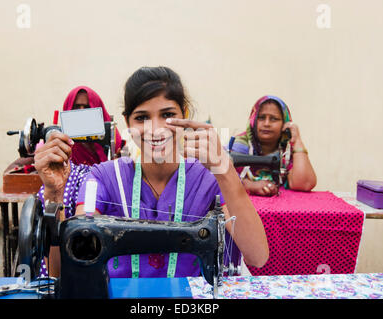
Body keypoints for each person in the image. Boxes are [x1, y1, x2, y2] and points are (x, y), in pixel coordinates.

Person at [35, 66, 269, 278]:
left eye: (167, 115)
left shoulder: (210, 177)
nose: (156, 129)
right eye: (142, 118)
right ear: (128, 123)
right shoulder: (103, 177)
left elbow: (257, 257)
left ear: (185, 114)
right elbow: (65, 272)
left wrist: (226, 170)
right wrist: (54, 195)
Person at [230, 95, 317, 196]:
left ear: (284, 123)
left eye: (274, 119)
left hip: (284, 209)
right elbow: (219, 179)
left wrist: (297, 140)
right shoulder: (239, 145)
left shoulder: (287, 150)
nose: (267, 123)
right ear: (253, 120)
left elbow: (304, 184)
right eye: (261, 118)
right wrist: (249, 185)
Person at [61, 86, 123, 165]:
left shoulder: (111, 137)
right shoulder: (62, 145)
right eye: (76, 107)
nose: (82, 111)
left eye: (87, 107)